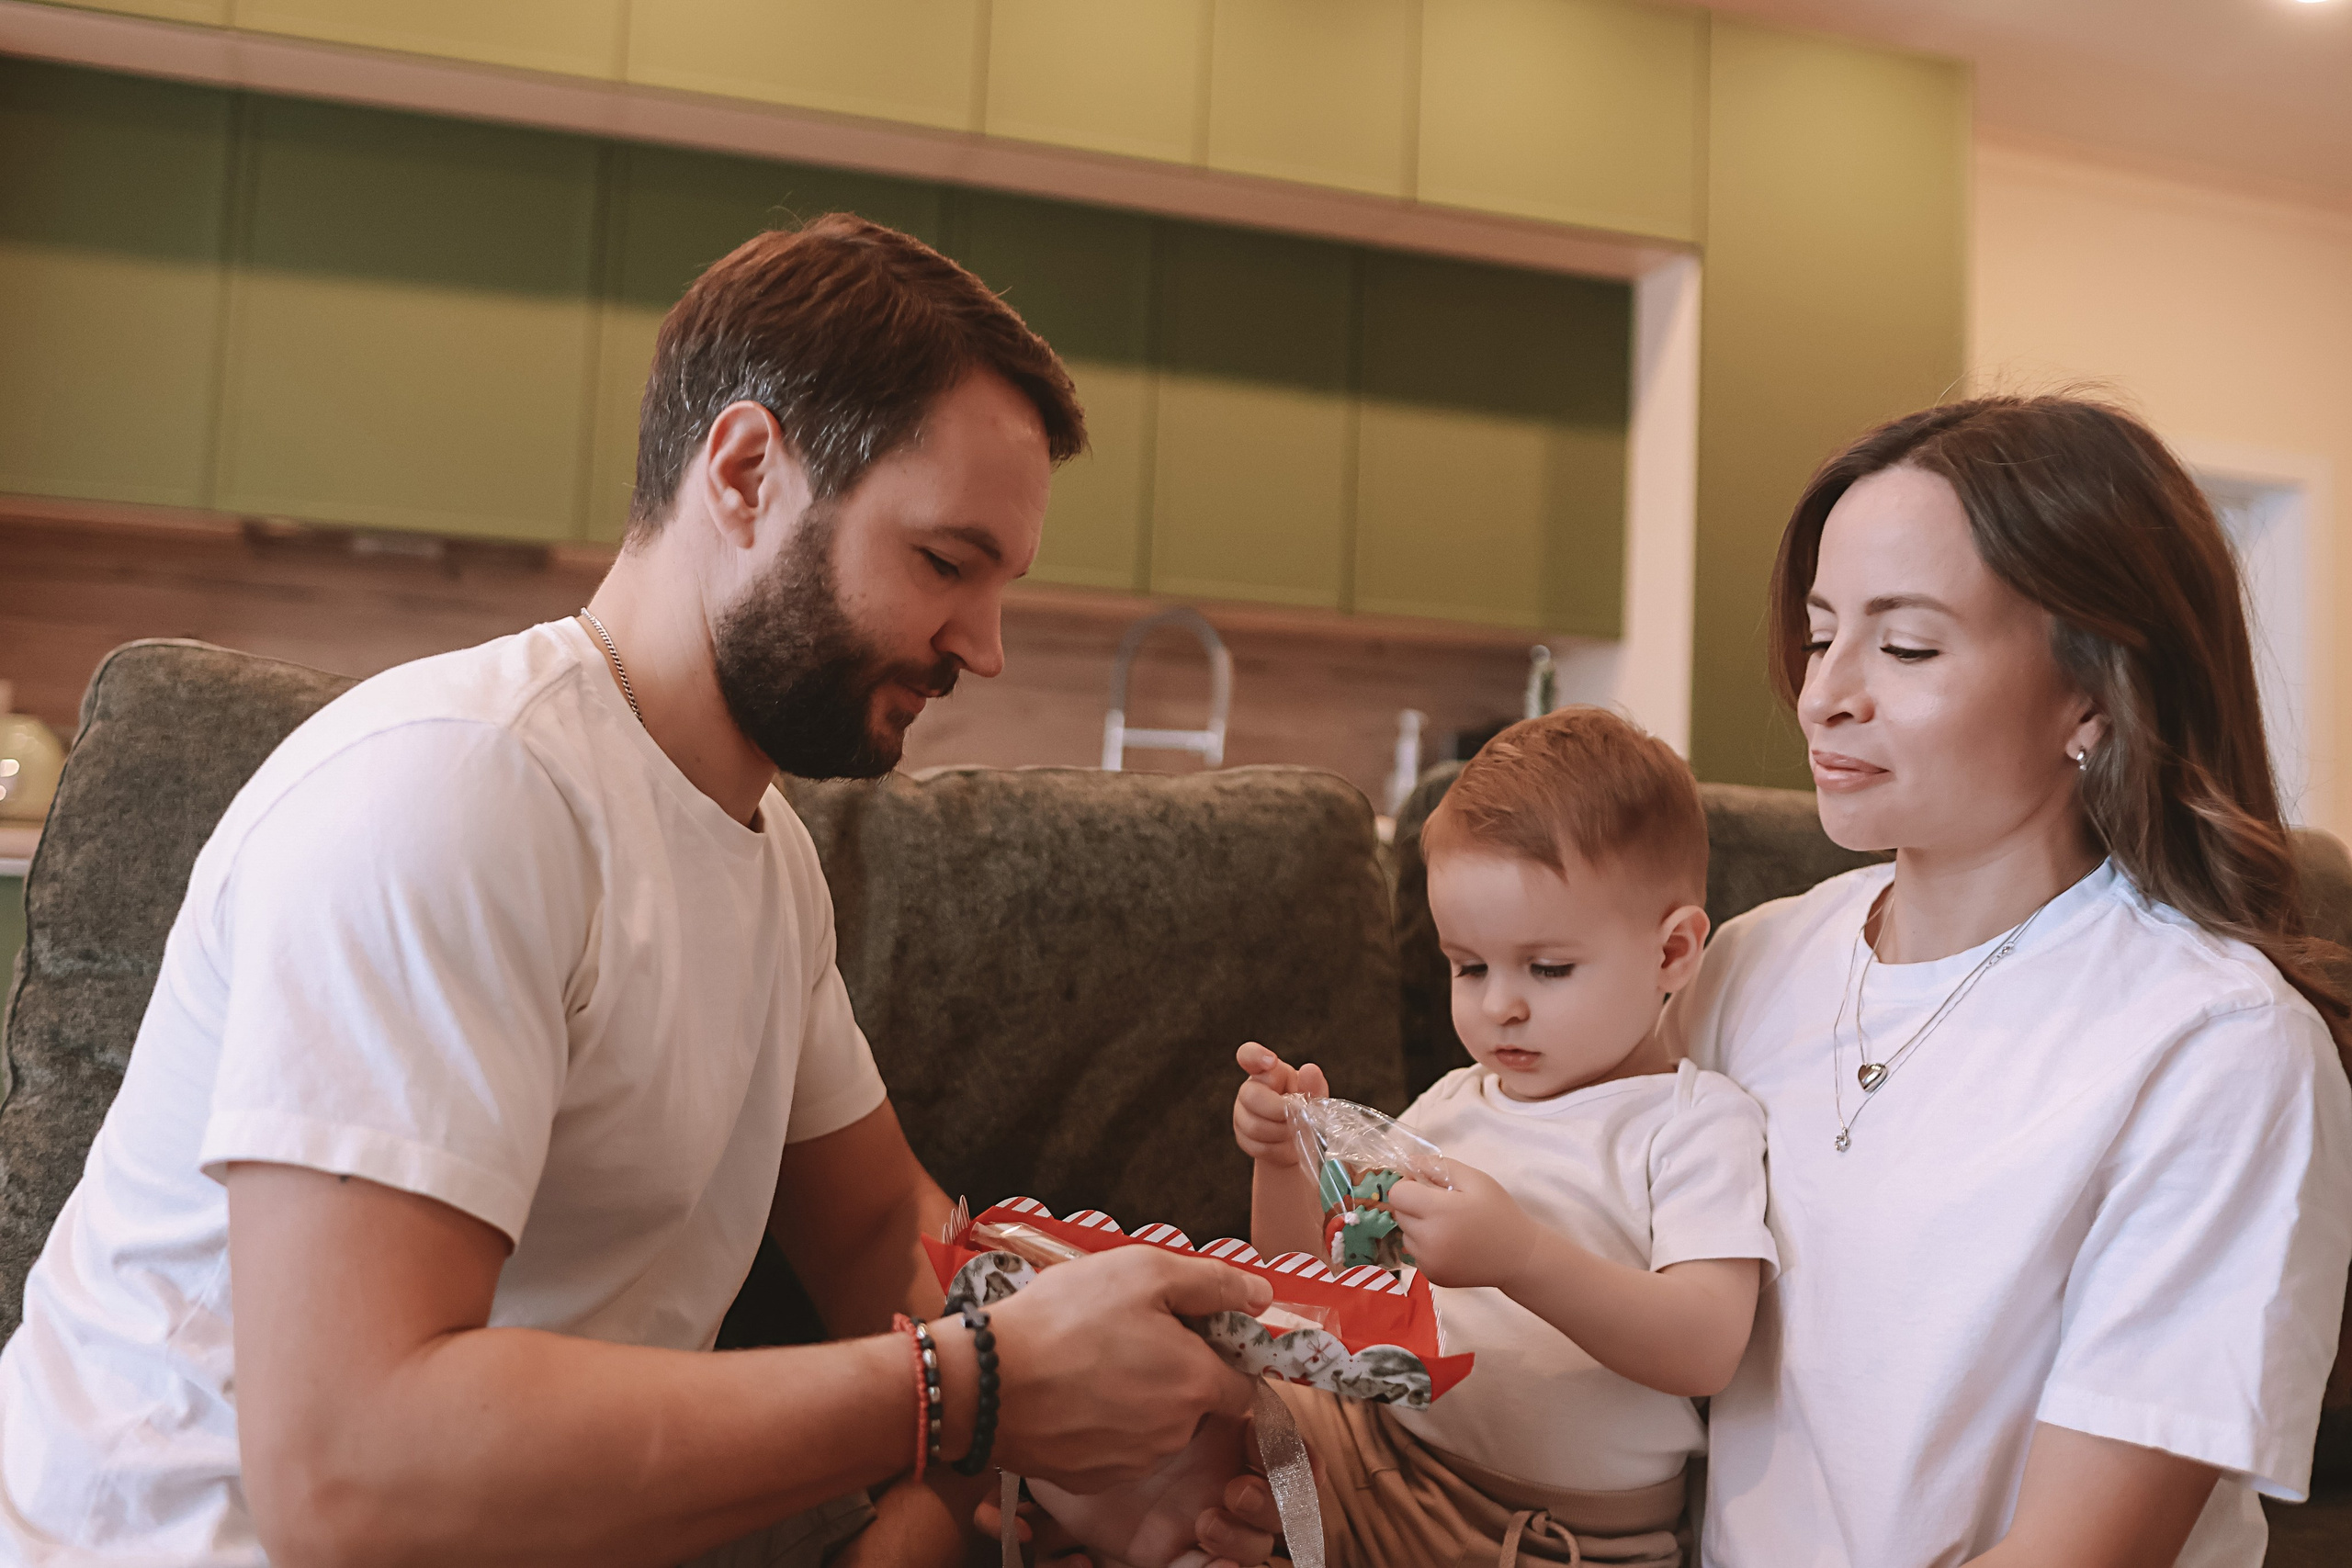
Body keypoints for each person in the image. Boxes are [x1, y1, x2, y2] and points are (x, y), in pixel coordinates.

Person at [0, 215, 1283, 1568]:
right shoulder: (456, 789)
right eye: (945, 563)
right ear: (743, 472)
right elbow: (354, 1477)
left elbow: (878, 1236)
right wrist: (969, 1390)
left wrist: (1107, 1464)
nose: (987, 644)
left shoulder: (766, 854)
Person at [1662, 394, 2352, 1567]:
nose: (1825, 691)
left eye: (1908, 644)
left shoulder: (2219, 1047)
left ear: (2092, 693)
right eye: (1822, 631)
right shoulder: (1746, 963)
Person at [1216, 705, 1776, 1567]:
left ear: (1672, 953)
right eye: (1468, 965)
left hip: (1564, 1537)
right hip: (1380, 1457)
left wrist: (1522, 1256)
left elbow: (1706, 1346)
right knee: (1181, 1390)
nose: (1497, 1003)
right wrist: (1284, 1160)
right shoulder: (1451, 1103)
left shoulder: (1692, 1123)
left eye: (1547, 968)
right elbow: (1315, 1299)